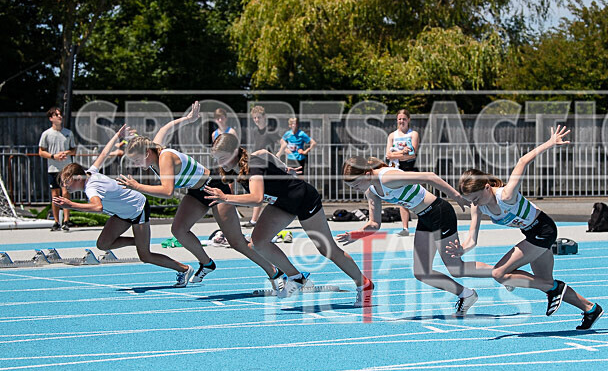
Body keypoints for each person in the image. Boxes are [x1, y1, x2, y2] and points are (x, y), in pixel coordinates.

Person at [449, 126, 603, 329]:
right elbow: (472, 239)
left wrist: (550, 142)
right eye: (471, 201)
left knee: (499, 273)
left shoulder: (506, 196)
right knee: (544, 282)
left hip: (544, 229)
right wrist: (463, 249)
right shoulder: (479, 207)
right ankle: (591, 308)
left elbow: (523, 161)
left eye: (476, 198)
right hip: (532, 234)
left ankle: (555, 288)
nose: (475, 204)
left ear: (487, 187)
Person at [118, 101, 282, 289]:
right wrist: (187, 119)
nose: (137, 165)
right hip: (196, 191)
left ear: (147, 153)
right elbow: (166, 127)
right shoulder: (154, 148)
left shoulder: (164, 158)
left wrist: (137, 186)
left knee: (236, 242)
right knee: (179, 230)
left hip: (213, 187)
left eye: (137, 160)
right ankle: (207, 263)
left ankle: (274, 272)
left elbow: (168, 191)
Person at [203, 133, 373, 306]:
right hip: (282, 203)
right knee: (258, 242)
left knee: (327, 250)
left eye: (222, 158)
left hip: (303, 199)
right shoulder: (247, 161)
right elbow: (264, 152)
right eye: (217, 159)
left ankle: (364, 284)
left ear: (234, 152)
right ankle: (296, 277)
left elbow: (256, 198)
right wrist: (284, 168)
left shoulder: (253, 167)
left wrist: (225, 197)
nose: (220, 163)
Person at [338, 157, 494, 316]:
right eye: (352, 186)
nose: (355, 189)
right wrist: (357, 234)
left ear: (367, 174)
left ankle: (500, 272)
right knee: (422, 272)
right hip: (425, 218)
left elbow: (430, 177)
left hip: (439, 213)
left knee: (456, 268)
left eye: (356, 184)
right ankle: (466, 294)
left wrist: (457, 197)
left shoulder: (387, 177)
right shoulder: (372, 191)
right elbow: (374, 223)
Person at [55, 124, 194, 285]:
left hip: (137, 208)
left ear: (78, 177)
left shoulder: (91, 187)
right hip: (123, 213)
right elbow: (105, 153)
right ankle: (140, 240)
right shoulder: (90, 172)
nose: (66, 186)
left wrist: (70, 205)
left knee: (145, 256)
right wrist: (117, 136)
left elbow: (97, 207)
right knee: (103, 244)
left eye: (67, 182)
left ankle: (184, 269)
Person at [39, 107, 76, 231]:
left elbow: (74, 150)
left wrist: (66, 153)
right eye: (57, 115)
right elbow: (41, 152)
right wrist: (53, 156)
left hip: (66, 169)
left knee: (65, 192)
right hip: (53, 168)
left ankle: (66, 220)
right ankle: (56, 221)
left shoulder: (68, 133)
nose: (60, 117)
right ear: (51, 118)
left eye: (60, 115)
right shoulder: (46, 134)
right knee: (55, 194)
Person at [385, 109, 420, 236]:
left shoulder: (413, 134)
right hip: (396, 169)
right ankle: (405, 228)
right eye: (399, 119)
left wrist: (398, 154)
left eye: (404, 119)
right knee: (402, 199)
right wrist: (402, 153)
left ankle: (425, 224)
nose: (401, 121)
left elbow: (412, 154)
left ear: (408, 120)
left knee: (416, 197)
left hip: (409, 168)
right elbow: (388, 155)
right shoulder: (392, 136)